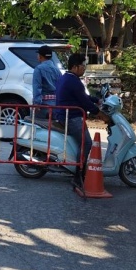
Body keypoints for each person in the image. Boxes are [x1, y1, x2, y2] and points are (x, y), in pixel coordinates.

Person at [55, 53, 104, 188]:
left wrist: (97, 100)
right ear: (75, 67)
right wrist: (100, 114)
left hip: (66, 115)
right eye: (83, 66)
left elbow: (82, 97)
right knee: (87, 143)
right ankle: (78, 176)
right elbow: (84, 102)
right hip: (71, 118)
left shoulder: (67, 78)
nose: (84, 69)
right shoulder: (73, 81)